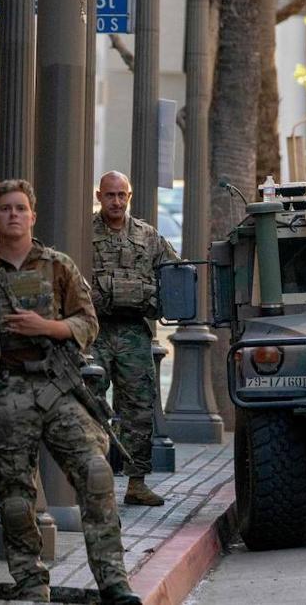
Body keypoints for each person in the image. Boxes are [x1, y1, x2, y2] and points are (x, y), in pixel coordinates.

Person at [0, 179, 140, 605]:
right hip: (7, 391)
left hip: (59, 386)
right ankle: (31, 584)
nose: (14, 215)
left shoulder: (59, 267)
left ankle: (113, 582)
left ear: (33, 216)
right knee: (16, 496)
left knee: (96, 474)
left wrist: (49, 328)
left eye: (21, 208)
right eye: (5, 209)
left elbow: (87, 321)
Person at [90, 171, 178, 506]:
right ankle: (92, 481)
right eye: (109, 195)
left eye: (121, 195)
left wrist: (153, 298)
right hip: (93, 333)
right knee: (90, 406)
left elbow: (175, 273)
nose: (115, 201)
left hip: (133, 333)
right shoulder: (84, 232)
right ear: (99, 196)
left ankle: (136, 483)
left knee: (139, 408)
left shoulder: (147, 236)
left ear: (129, 197)